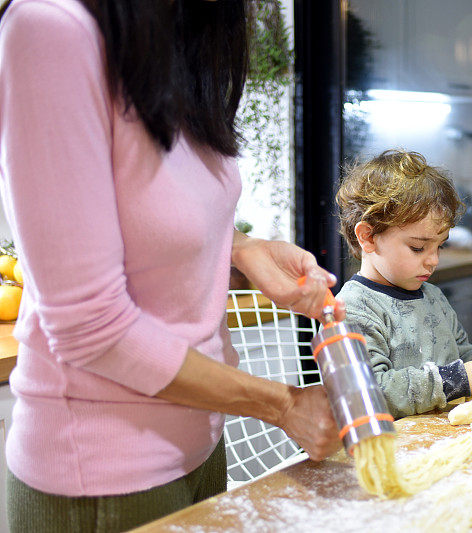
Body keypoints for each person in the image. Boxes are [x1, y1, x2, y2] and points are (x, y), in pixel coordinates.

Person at [0, 0, 345, 530]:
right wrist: (282, 406)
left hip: (202, 450)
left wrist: (243, 253)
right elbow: (89, 326)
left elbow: (150, 225)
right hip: (104, 479)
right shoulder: (51, 28)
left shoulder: (182, 33)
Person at [335, 149, 472, 419]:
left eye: (440, 246)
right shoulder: (352, 310)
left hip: (438, 437)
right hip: (393, 448)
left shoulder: (431, 296)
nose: (433, 260)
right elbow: (368, 393)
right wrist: (456, 381)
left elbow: (460, 356)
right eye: (418, 247)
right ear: (368, 237)